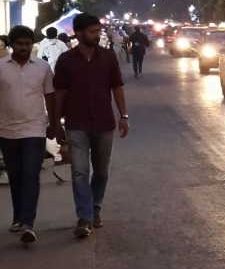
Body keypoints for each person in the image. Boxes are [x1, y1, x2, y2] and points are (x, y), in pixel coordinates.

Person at [52, 13, 130, 238]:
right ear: (78, 33)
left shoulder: (108, 57)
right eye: (93, 31)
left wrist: (123, 116)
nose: (98, 35)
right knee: (79, 172)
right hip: (76, 124)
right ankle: (84, 217)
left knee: (101, 172)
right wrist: (56, 123)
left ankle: (95, 207)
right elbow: (59, 93)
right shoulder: (66, 60)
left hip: (104, 123)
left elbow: (117, 87)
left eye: (98, 31)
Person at [0, 25, 58, 244]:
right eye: (19, 44)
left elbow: (50, 98)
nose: (24, 48)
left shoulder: (42, 67)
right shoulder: (1, 67)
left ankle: (28, 223)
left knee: (31, 173)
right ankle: (18, 217)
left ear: (32, 44)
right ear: (11, 45)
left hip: (35, 128)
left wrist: (54, 124)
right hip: (6, 129)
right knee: (15, 175)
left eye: (27, 44)